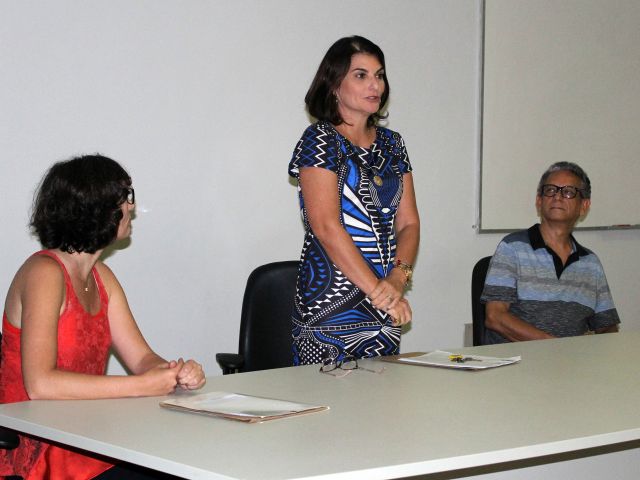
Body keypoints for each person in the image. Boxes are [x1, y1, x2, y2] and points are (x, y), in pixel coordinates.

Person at [0, 155, 206, 479]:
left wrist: (172, 373)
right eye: (126, 197)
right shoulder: (44, 273)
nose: (132, 208)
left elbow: (141, 358)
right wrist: (140, 386)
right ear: (98, 208)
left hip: (89, 439)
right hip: (40, 450)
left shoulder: (101, 276)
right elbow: (40, 384)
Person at [288, 36, 420, 365]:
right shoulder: (320, 139)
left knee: (381, 409)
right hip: (330, 307)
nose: (375, 84)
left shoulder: (392, 144)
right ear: (334, 85)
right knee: (327, 411)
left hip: (384, 302)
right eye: (361, 75)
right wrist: (380, 290)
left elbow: (409, 223)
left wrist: (397, 280)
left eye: (379, 75)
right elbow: (326, 226)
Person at [481, 161, 620, 344]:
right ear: (539, 201)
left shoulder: (590, 263)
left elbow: (607, 326)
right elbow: (495, 317)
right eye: (550, 190)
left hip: (571, 366)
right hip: (517, 365)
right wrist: (555, 347)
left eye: (568, 191)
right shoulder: (512, 248)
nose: (558, 197)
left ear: (584, 206)